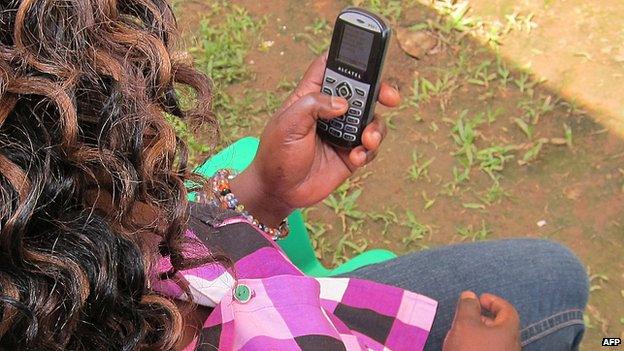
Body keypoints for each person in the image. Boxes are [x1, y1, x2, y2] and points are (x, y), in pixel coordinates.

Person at [0, 1, 588, 350]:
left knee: (549, 273)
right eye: (135, 177)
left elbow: (165, 253)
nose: (166, 193)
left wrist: (264, 191)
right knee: (556, 294)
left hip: (311, 312)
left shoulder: (68, 254)